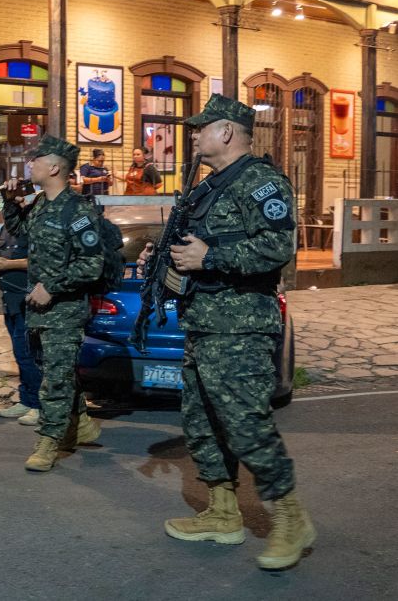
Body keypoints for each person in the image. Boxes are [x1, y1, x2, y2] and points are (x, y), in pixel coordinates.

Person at [139, 95, 313, 570]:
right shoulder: (210, 185)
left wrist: (209, 259)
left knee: (246, 424)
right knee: (201, 422)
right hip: (203, 321)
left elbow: (278, 247)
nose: (194, 135)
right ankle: (222, 514)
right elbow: (197, 242)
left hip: (239, 328)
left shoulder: (259, 181)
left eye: (202, 128)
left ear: (229, 133)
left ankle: (290, 519)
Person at [2, 135, 105, 473]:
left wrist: (53, 286)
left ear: (55, 167)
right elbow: (22, 233)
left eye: (37, 159)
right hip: (38, 309)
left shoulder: (77, 210)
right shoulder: (41, 204)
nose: (30, 164)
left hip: (64, 310)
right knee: (54, 371)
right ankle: (82, 422)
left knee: (56, 380)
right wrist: (9, 202)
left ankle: (49, 442)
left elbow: (91, 264)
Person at [0, 198, 43, 425]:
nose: (1, 215)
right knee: (19, 353)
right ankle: (26, 399)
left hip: (26, 297)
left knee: (28, 353)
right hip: (9, 298)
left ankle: (38, 404)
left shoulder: (32, 227)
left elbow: (40, 261)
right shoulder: (5, 229)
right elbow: (5, 256)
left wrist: (7, 266)